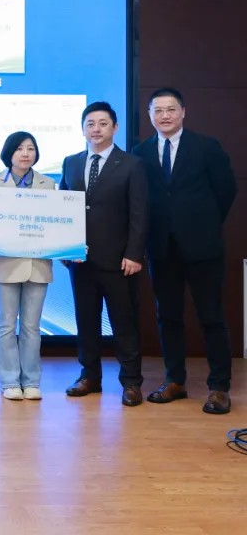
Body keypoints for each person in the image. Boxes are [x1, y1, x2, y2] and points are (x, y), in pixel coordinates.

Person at [133, 87, 237, 415]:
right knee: (168, 317)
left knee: (211, 316)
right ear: (150, 115)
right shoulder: (141, 152)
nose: (164, 115)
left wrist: (203, 224)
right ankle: (175, 380)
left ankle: (219, 387)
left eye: (170, 109)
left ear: (183, 112)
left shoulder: (206, 147)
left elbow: (226, 190)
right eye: (158, 110)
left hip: (203, 247)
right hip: (162, 248)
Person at [60, 101, 148, 407]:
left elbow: (139, 213)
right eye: (90, 124)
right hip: (80, 260)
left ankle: (131, 382)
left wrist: (134, 253)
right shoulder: (71, 163)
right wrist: (63, 248)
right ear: (83, 129)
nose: (96, 129)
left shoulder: (131, 164)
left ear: (115, 128)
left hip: (119, 261)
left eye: (102, 123)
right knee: (86, 322)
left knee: (124, 323)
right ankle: (90, 376)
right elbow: (62, 209)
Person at [0, 132, 56, 401]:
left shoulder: (49, 185)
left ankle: (32, 381)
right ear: (9, 153)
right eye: (19, 149)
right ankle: (9, 381)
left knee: (31, 327)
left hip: (38, 265)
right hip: (6, 264)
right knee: (5, 325)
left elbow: (56, 223)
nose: (25, 154)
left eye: (30, 148)